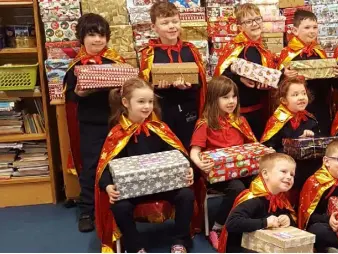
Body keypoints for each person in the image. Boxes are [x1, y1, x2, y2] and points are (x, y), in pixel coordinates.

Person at [95, 78, 196, 253]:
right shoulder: (117, 134)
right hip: (133, 191)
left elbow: (179, 154)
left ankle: (180, 240)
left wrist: (188, 169)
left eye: (150, 101)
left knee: (186, 195)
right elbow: (105, 166)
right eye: (141, 101)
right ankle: (135, 247)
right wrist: (108, 186)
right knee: (120, 205)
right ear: (125, 102)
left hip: (163, 185)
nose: (147, 106)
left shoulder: (159, 128)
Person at [63, 13, 125, 232]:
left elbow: (128, 93)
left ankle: (120, 208)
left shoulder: (116, 63)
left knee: (117, 165)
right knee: (91, 168)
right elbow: (69, 97)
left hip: (115, 123)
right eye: (92, 35)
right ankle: (87, 211)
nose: (97, 40)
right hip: (90, 124)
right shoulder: (75, 66)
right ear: (82, 37)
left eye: (101, 35)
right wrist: (80, 92)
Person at [189, 76, 257, 249]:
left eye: (234, 97)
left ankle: (251, 223)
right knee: (237, 187)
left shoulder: (240, 121)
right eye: (225, 97)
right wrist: (200, 163)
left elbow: (252, 147)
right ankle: (218, 227)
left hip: (244, 171)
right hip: (217, 176)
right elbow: (195, 151)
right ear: (213, 99)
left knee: (260, 183)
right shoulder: (205, 123)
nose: (231, 101)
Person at [139, 1, 207, 148]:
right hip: (163, 111)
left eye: (175, 21)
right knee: (166, 148)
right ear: (154, 27)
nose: (172, 26)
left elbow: (201, 83)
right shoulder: (149, 53)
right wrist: (157, 88)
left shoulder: (191, 50)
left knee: (190, 146)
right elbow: (143, 86)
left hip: (189, 110)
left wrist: (188, 86)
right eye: (165, 23)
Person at [214, 3, 275, 138]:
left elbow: (270, 75)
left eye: (257, 19)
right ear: (240, 27)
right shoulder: (233, 48)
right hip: (235, 114)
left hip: (259, 111)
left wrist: (268, 83)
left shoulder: (263, 49)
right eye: (248, 21)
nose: (254, 24)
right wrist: (240, 79)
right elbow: (220, 76)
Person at [217, 153, 297, 253]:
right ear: (265, 174)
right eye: (284, 171)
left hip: (266, 244)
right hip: (241, 246)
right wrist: (265, 222)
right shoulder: (253, 199)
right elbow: (232, 223)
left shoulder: (281, 199)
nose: (289, 177)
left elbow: (293, 220)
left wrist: (288, 219)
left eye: (292, 174)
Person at [278, 10, 334, 135]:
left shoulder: (320, 51)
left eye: (315, 27)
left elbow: (328, 81)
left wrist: (334, 74)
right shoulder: (287, 53)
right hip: (299, 107)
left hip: (320, 105)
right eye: (307, 27)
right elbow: (279, 83)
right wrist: (284, 74)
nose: (312, 31)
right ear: (295, 30)